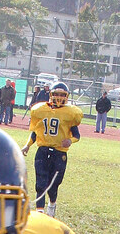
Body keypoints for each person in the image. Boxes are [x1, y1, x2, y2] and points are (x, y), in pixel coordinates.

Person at [21, 80, 81, 217]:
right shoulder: (41, 110)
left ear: (67, 96)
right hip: (42, 151)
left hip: (59, 153)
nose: (59, 97)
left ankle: (52, 204)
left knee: (53, 185)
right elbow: (36, 132)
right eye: (56, 94)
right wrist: (27, 145)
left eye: (62, 94)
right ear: (51, 94)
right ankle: (40, 213)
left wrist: (70, 141)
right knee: (40, 183)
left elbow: (77, 135)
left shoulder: (70, 113)